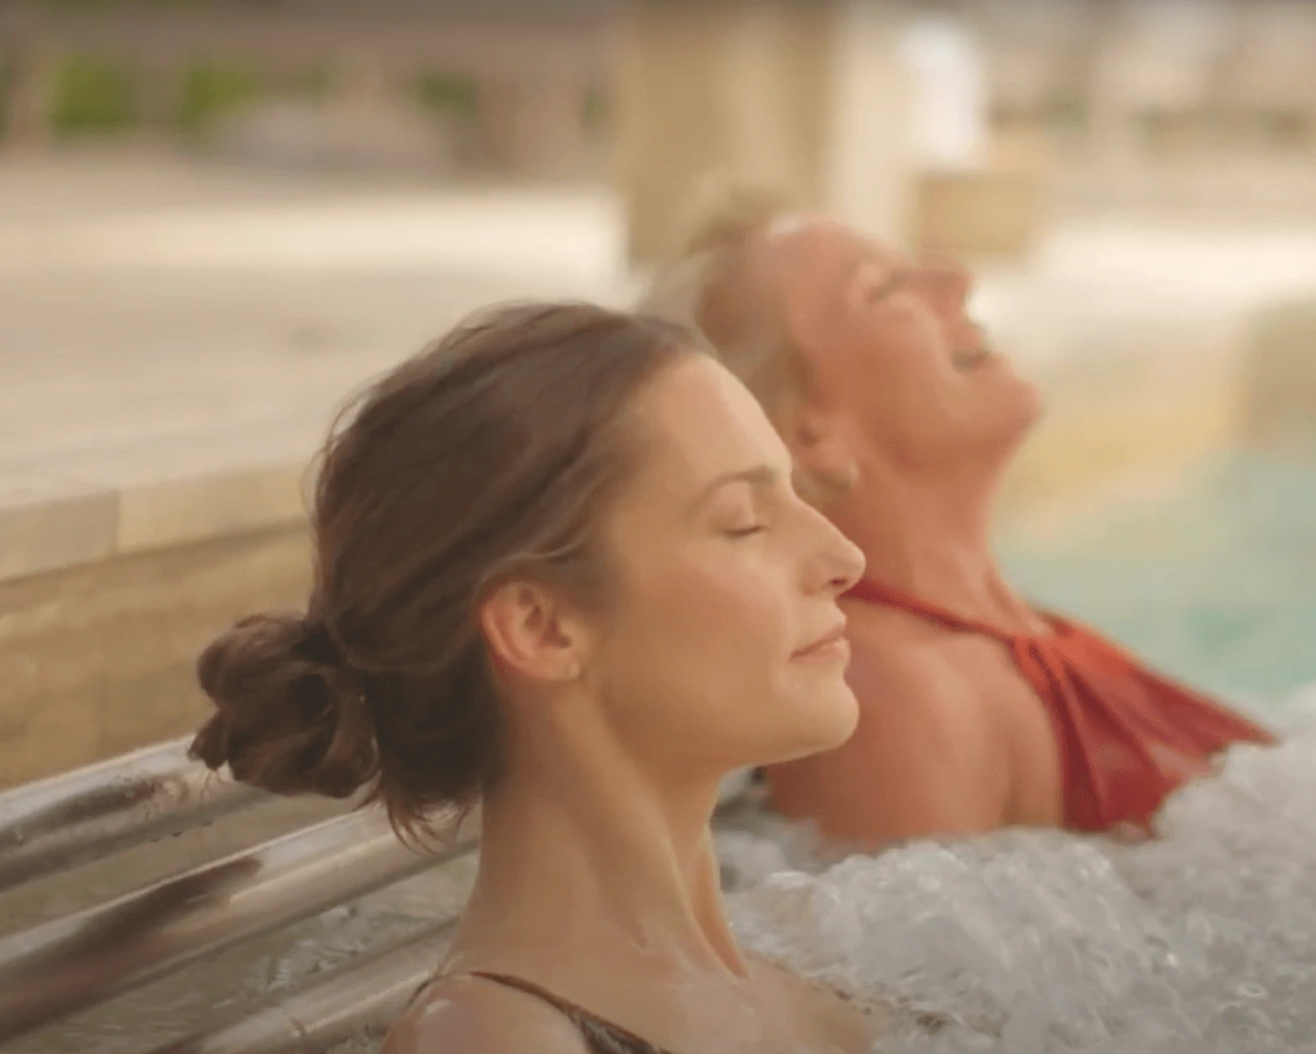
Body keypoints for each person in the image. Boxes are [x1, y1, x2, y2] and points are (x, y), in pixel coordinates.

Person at [188, 302, 880, 1054]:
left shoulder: (803, 991)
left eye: (797, 495)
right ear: (540, 628)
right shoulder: (494, 1042)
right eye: (744, 521)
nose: (844, 557)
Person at [642, 188, 1276, 849]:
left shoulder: (996, 638)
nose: (955, 281)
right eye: (885, 289)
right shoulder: (882, 695)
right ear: (809, 433)